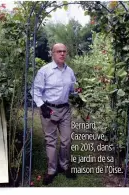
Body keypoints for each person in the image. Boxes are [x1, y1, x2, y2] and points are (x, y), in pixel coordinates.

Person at [30, 43, 80, 185]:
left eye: (64, 51)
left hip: (65, 110)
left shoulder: (69, 71)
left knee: (66, 140)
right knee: (51, 141)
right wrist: (42, 106)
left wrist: (79, 93)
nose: (62, 54)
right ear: (53, 53)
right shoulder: (44, 71)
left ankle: (64, 165)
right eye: (59, 51)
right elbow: (34, 91)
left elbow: (73, 90)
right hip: (49, 110)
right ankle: (51, 170)